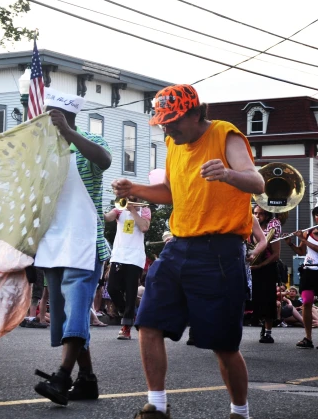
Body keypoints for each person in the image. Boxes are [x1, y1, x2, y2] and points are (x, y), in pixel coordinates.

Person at [112, 84, 264, 419]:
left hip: (221, 252)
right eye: (163, 123)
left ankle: (240, 412)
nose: (166, 128)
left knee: (223, 345)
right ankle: (157, 406)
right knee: (148, 323)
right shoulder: (172, 142)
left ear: (196, 114)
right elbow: (169, 191)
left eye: (172, 121)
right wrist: (133, 187)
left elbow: (257, 183)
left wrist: (227, 173)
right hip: (177, 246)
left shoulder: (226, 134)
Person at [33, 89, 112, 406]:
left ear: (66, 117)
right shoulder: (45, 153)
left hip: (84, 241)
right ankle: (88, 381)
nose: (47, 120)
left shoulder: (89, 143)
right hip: (54, 243)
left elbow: (104, 161)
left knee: (77, 310)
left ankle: (63, 376)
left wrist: (68, 133)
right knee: (66, 316)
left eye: (53, 115)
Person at [104, 196, 151, 340]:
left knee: (131, 293)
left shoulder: (145, 210)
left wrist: (133, 211)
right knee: (112, 288)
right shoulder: (119, 208)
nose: (130, 198)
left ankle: (126, 327)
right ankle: (129, 314)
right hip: (118, 255)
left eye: (133, 196)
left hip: (135, 257)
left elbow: (144, 227)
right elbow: (108, 218)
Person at [287, 206, 318, 348]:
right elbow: (301, 251)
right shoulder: (308, 233)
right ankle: (308, 337)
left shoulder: (305, 236)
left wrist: (302, 239)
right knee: (306, 302)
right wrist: (291, 243)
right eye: (316, 215)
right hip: (308, 271)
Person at [249, 207, 281, 343]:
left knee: (268, 299)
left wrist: (261, 265)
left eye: (261, 213)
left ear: (267, 215)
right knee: (251, 298)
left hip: (267, 269)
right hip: (251, 268)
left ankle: (268, 331)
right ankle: (259, 322)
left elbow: (276, 254)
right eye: (255, 213)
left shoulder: (272, 228)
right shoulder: (250, 227)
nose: (257, 216)